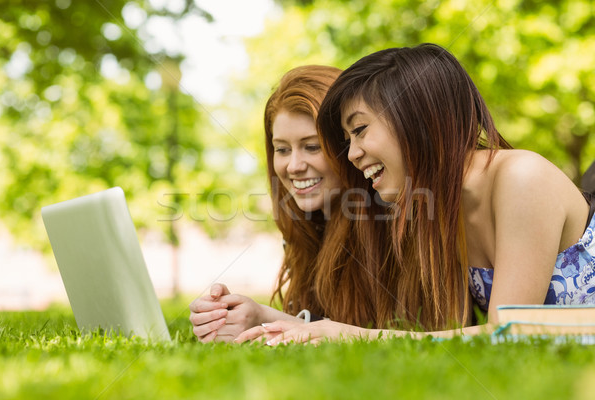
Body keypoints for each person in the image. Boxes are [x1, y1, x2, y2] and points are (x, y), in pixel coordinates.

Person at [235, 43, 595, 345]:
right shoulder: (434, 210)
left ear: (416, 119)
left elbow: (506, 336)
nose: (352, 154)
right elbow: (447, 332)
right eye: (348, 141)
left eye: (360, 130)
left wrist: (358, 336)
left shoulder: (521, 177)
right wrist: (275, 320)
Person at [189, 65, 395, 343]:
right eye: (282, 150)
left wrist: (266, 318)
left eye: (312, 147)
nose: (294, 166)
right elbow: (332, 329)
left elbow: (393, 332)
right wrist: (257, 316)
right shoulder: (310, 225)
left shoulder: (390, 221)